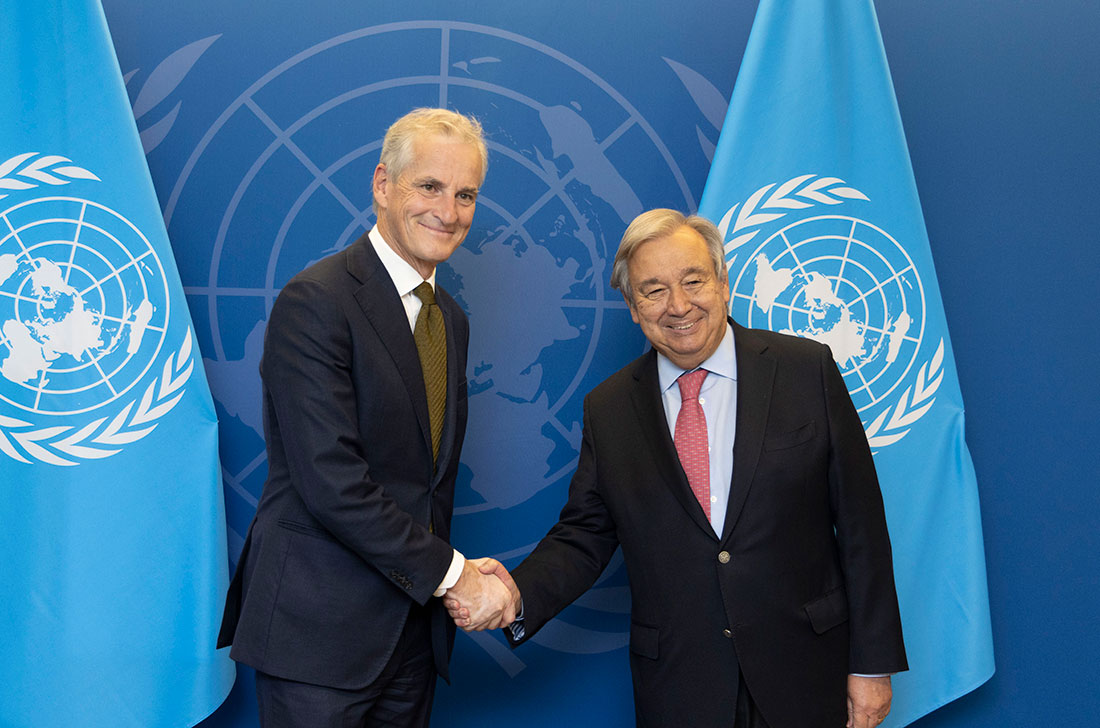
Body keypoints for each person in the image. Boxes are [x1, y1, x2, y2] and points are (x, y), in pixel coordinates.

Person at [448, 209, 907, 728]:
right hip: (682, 687)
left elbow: (862, 527)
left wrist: (872, 666)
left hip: (806, 673)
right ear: (632, 306)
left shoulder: (806, 370)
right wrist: (514, 593)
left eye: (694, 281)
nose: (679, 305)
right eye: (654, 290)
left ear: (723, 283)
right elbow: (585, 536)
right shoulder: (610, 408)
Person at [217, 107, 516, 728]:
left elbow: (421, 484)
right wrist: (455, 576)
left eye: (465, 195)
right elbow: (332, 482)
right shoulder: (316, 300)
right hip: (317, 637)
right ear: (383, 184)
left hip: (411, 635)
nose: (449, 211)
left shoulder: (449, 319)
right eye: (429, 186)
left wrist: (450, 579)